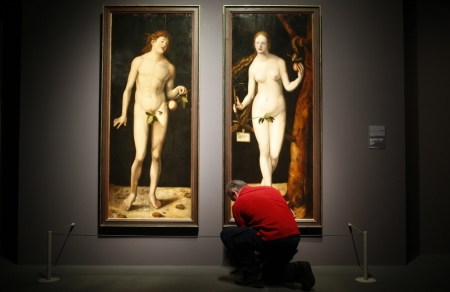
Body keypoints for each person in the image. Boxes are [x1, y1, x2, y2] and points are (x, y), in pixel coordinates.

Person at [113, 31, 187, 210]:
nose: (164, 45)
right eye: (162, 41)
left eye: (167, 43)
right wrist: (124, 114)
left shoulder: (169, 67)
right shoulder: (138, 61)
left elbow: (168, 93)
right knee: (139, 156)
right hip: (141, 109)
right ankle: (132, 194)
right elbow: (128, 89)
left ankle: (152, 194)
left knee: (155, 155)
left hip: (160, 109)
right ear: (153, 41)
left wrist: (178, 90)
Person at [234, 31, 304, 186]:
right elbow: (251, 94)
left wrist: (299, 79)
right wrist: (242, 105)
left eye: (263, 42)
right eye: (257, 42)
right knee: (264, 151)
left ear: (269, 44)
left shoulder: (279, 62)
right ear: (254, 44)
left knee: (274, 154)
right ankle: (269, 189)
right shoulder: (253, 67)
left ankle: (263, 185)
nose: (260, 45)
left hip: (278, 111)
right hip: (259, 111)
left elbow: (287, 86)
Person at [220, 180, 315, 290]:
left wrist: (251, 262)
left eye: (233, 199)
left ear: (234, 193)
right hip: (294, 238)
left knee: (227, 234)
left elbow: (244, 235)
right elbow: (290, 213)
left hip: (273, 239)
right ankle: (297, 270)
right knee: (267, 272)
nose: (234, 201)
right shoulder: (271, 190)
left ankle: (252, 275)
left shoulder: (238, 205)